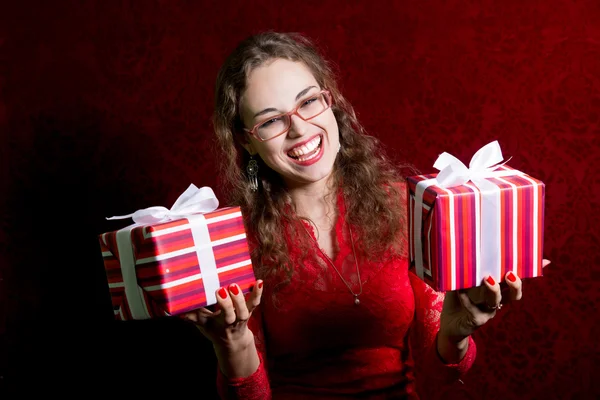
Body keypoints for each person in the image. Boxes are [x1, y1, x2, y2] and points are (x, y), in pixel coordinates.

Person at [182, 31, 549, 400]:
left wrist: (456, 332)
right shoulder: (233, 240)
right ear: (247, 141)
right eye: (271, 121)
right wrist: (232, 342)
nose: (299, 128)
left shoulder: (407, 208)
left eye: (308, 102)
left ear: (331, 103)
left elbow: (440, 380)